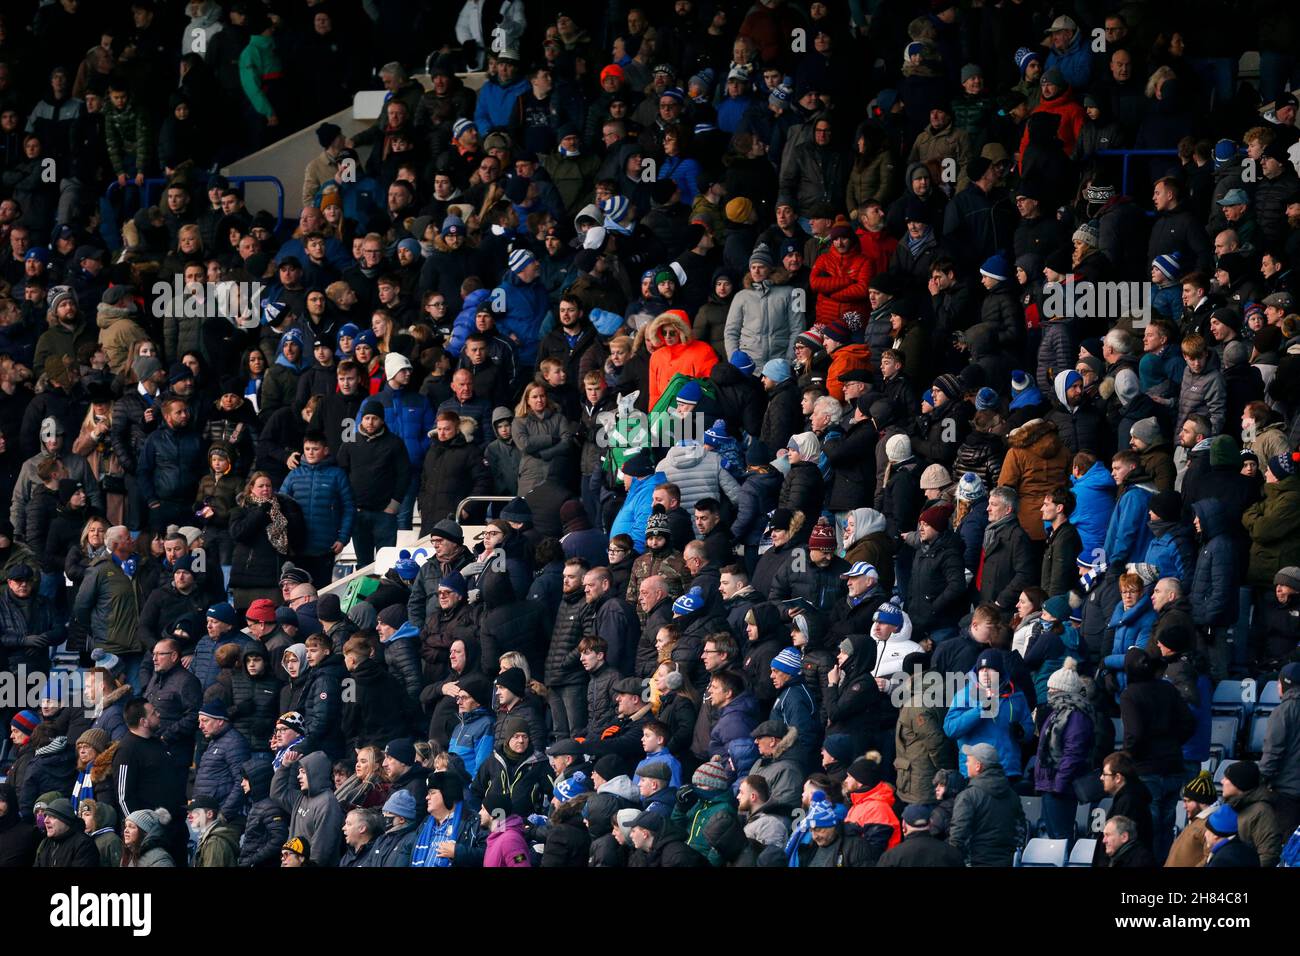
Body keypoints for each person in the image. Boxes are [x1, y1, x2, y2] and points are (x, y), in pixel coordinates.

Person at [947, 742, 1024, 867]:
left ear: (978, 766)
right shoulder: (1012, 795)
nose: (966, 764)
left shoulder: (968, 796)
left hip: (976, 862)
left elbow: (958, 836)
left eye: (968, 761)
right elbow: (1020, 830)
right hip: (1008, 862)